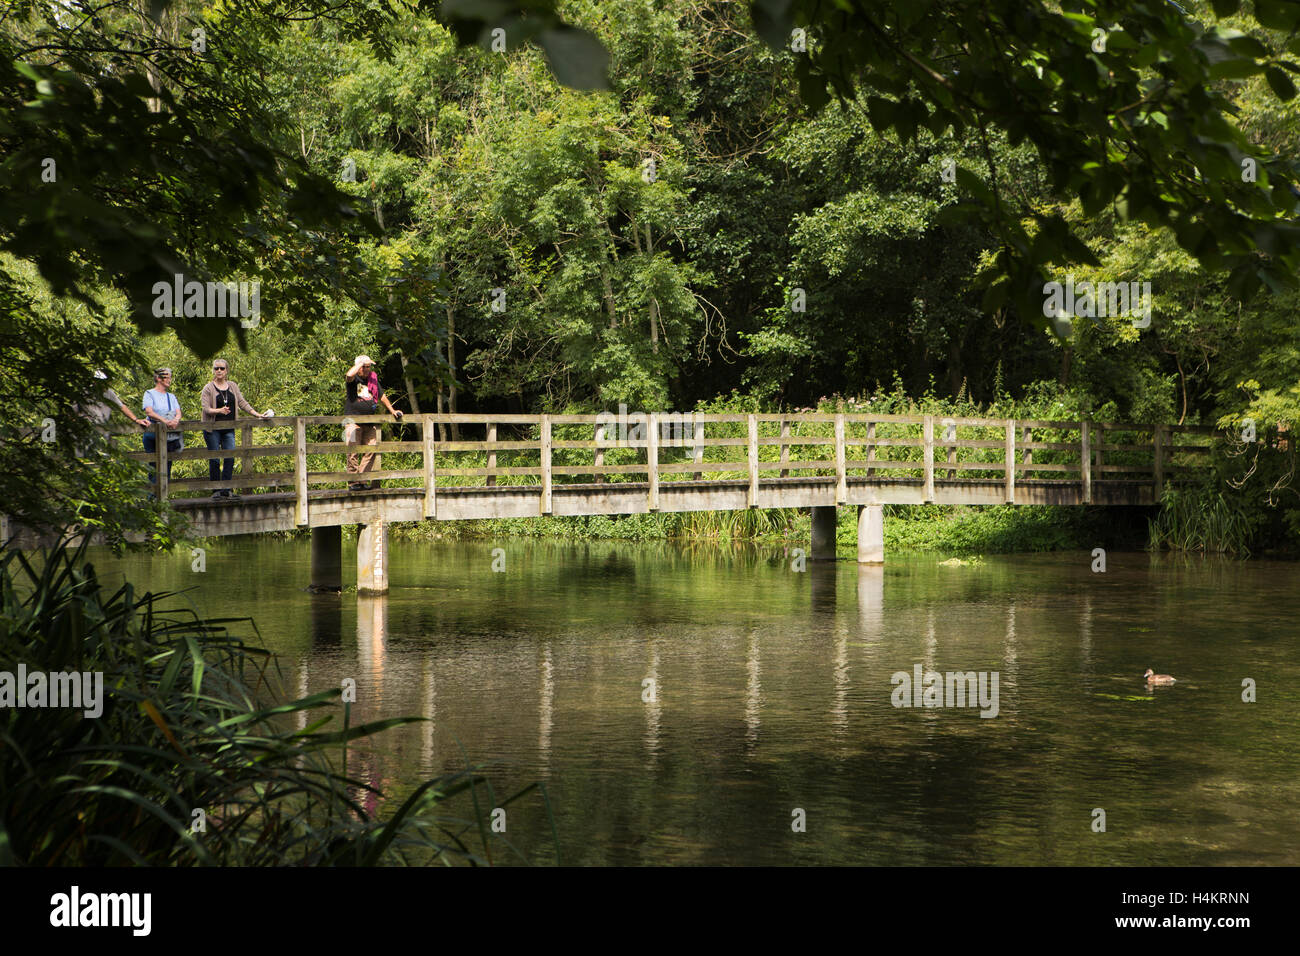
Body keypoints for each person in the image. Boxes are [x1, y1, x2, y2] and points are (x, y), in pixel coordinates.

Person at [200, 358, 272, 500]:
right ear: (213, 370)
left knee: (230, 457)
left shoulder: (232, 386)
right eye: (216, 368)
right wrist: (219, 411)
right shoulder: (208, 388)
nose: (219, 371)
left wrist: (257, 414)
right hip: (212, 429)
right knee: (215, 459)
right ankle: (216, 491)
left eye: (221, 368)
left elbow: (242, 402)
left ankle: (227, 490)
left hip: (229, 429)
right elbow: (205, 408)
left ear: (226, 371)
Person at [345, 355, 403, 489]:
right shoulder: (354, 380)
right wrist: (359, 364)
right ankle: (353, 482)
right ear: (358, 367)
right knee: (352, 450)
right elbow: (349, 375)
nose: (366, 370)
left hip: (369, 422)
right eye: (364, 367)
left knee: (371, 449)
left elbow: (382, 395)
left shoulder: (373, 379)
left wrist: (392, 410)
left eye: (368, 367)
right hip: (353, 421)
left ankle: (363, 480)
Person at [142, 367, 183, 489]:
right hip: (153, 434)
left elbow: (178, 412)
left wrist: (176, 420)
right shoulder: (149, 394)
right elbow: (149, 411)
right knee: (154, 467)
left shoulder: (171, 396)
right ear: (159, 379)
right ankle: (153, 498)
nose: (170, 380)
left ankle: (163, 498)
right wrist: (165, 421)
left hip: (168, 435)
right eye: (168, 377)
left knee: (167, 465)